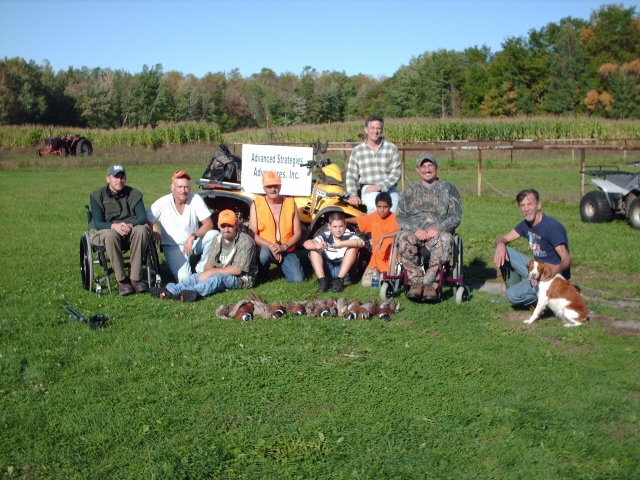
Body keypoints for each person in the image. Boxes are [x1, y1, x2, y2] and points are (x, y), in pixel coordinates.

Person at [148, 209, 258, 302]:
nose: (226, 229)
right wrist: (206, 273)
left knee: (216, 279)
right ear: (218, 226)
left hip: (241, 278)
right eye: (223, 226)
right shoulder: (218, 238)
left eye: (230, 226)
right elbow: (210, 262)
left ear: (236, 225)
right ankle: (172, 290)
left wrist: (211, 272)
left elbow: (237, 270)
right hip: (221, 271)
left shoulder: (245, 241)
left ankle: (192, 292)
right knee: (196, 276)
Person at [395, 153, 462, 302]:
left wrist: (439, 228)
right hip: (415, 232)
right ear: (418, 169)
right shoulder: (409, 190)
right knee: (405, 238)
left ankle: (431, 284)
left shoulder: (449, 188)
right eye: (423, 166)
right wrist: (415, 230)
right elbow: (401, 216)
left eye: (430, 165)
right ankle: (416, 282)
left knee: (445, 239)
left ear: (436, 167)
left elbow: (455, 216)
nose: (427, 169)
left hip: (438, 233)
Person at [494, 188, 572, 307]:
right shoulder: (526, 225)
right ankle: (521, 291)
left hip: (552, 277)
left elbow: (566, 259)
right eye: (522, 205)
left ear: (538, 205)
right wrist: (500, 244)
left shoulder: (552, 227)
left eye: (530, 204)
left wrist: (554, 269)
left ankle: (550, 299)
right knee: (502, 251)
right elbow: (503, 238)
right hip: (536, 269)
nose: (526, 209)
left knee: (512, 295)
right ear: (519, 208)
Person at [146, 170, 219, 282]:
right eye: (179, 187)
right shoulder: (163, 203)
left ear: (189, 188)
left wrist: (192, 236)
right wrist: (154, 227)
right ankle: (173, 265)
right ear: (172, 188)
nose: (183, 191)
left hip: (193, 242)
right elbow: (144, 217)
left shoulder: (195, 199)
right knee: (184, 279)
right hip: (173, 246)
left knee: (215, 235)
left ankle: (201, 269)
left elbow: (209, 224)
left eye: (186, 187)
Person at [89, 164, 150, 296]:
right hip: (107, 229)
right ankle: (121, 280)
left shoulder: (134, 194)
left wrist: (130, 225)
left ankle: (135, 278)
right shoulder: (96, 195)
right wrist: (114, 226)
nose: (119, 181)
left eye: (122, 177)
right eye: (116, 177)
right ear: (108, 179)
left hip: (130, 228)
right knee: (111, 235)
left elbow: (142, 217)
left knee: (142, 230)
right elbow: (98, 223)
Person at [248, 170, 305, 283]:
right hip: (266, 248)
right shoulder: (256, 205)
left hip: (287, 248)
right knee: (263, 255)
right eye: (269, 186)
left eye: (275, 186)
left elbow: (298, 233)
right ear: (264, 188)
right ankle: (262, 272)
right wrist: (272, 247)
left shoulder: (290, 203)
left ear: (280, 186)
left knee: (298, 280)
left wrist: (283, 247)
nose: (273, 189)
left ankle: (283, 266)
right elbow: (251, 233)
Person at [346, 114, 401, 214]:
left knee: (394, 213)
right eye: (372, 128)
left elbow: (396, 174)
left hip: (389, 188)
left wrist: (380, 186)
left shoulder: (391, 148)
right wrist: (353, 194)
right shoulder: (358, 151)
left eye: (378, 128)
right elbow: (351, 175)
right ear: (366, 130)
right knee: (376, 211)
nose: (375, 131)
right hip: (369, 189)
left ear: (382, 130)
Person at [345, 192, 400, 287]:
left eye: (385, 207)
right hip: (376, 260)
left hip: (391, 260)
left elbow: (401, 231)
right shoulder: (374, 216)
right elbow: (359, 220)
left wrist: (383, 237)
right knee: (366, 283)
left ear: (390, 206)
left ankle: (394, 277)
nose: (382, 210)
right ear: (376, 206)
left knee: (385, 283)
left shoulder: (395, 218)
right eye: (379, 207)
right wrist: (343, 220)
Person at [304, 212, 364, 293]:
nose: (338, 230)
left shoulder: (349, 235)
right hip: (328, 269)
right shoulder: (326, 235)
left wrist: (339, 244)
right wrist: (316, 246)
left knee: (353, 248)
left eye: (341, 226)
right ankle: (322, 280)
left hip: (345, 273)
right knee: (314, 250)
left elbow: (361, 243)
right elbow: (306, 243)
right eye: (335, 227)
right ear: (329, 226)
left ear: (345, 225)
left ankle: (339, 280)